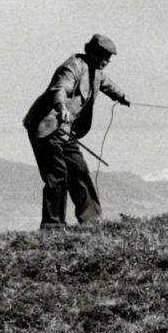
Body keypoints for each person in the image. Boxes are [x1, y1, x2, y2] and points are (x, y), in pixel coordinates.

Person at [22, 33, 132, 229]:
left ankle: (92, 221)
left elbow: (107, 85)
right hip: (46, 127)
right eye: (104, 56)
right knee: (57, 175)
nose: (106, 61)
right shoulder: (71, 66)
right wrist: (61, 108)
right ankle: (53, 226)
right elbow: (59, 89)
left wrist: (122, 97)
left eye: (109, 58)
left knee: (80, 170)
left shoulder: (96, 71)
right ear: (91, 52)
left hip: (66, 131)